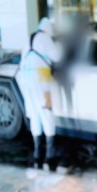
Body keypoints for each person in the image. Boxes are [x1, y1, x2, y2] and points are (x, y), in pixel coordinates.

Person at [19, 16, 63, 170]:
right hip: (41, 79)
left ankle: (37, 153)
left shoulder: (29, 38)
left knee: (34, 114)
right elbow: (58, 56)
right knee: (47, 112)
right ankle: (51, 155)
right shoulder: (45, 38)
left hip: (26, 79)